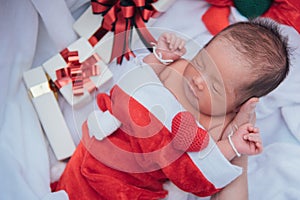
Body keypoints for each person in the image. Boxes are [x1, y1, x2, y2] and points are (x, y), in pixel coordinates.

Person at [52, 18, 289, 199]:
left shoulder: (220, 123)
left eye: (215, 87)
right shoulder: (177, 67)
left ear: (239, 104)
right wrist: (160, 57)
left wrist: (234, 146)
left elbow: (205, 163)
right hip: (108, 144)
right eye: (201, 63)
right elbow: (136, 82)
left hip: (136, 184)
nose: (198, 79)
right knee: (78, 173)